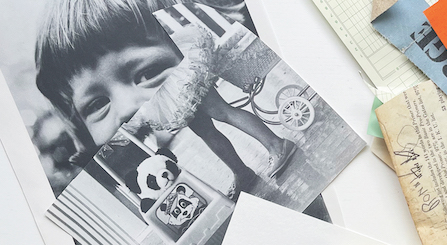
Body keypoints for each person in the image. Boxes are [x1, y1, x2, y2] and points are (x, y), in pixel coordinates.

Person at [34, 0, 296, 194]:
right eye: (98, 103)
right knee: (205, 132)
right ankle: (241, 171)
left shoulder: (171, 32)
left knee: (223, 112)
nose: (125, 108)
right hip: (173, 95)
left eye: (148, 72)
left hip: (184, 78)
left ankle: (276, 144)